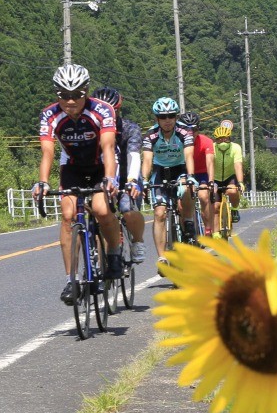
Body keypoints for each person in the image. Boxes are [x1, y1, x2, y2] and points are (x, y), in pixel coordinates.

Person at [31, 64, 123, 305]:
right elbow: (48, 151)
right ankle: (71, 279)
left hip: (101, 165)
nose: (70, 101)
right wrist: (42, 181)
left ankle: (114, 252)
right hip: (72, 167)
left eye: (76, 95)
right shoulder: (49, 114)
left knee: (103, 210)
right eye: (64, 95)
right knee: (68, 215)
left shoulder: (102, 110)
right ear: (56, 94)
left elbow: (108, 147)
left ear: (86, 92)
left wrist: (110, 179)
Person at [90, 87, 146, 263]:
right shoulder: (91, 130)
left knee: (127, 209)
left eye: (112, 111)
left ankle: (137, 240)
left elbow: (134, 156)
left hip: (126, 176)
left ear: (118, 110)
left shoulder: (130, 128)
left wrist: (132, 181)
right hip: (101, 177)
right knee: (97, 214)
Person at [140, 97, 196, 263]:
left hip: (180, 169)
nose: (167, 120)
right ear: (157, 118)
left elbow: (189, 155)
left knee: (186, 188)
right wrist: (144, 179)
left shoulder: (185, 131)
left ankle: (187, 220)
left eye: (171, 116)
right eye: (163, 117)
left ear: (176, 117)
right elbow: (148, 160)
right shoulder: (150, 135)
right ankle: (162, 256)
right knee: (159, 213)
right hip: (160, 171)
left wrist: (191, 176)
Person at [179, 111, 217, 238]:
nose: (190, 133)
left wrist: (211, 181)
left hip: (202, 173)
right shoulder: (177, 141)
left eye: (194, 130)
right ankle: (185, 231)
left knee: (203, 196)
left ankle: (207, 228)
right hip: (184, 172)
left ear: (198, 129)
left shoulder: (206, 141)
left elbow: (210, 162)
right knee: (181, 200)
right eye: (186, 130)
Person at [212, 123, 245, 224]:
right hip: (215, 178)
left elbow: (238, 165)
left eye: (225, 139)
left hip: (230, 176)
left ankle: (234, 209)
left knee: (232, 191)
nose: (223, 141)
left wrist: (240, 182)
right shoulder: (211, 147)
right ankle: (218, 232)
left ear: (229, 138)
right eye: (220, 139)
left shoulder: (235, 147)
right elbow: (209, 165)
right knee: (216, 207)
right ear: (216, 140)